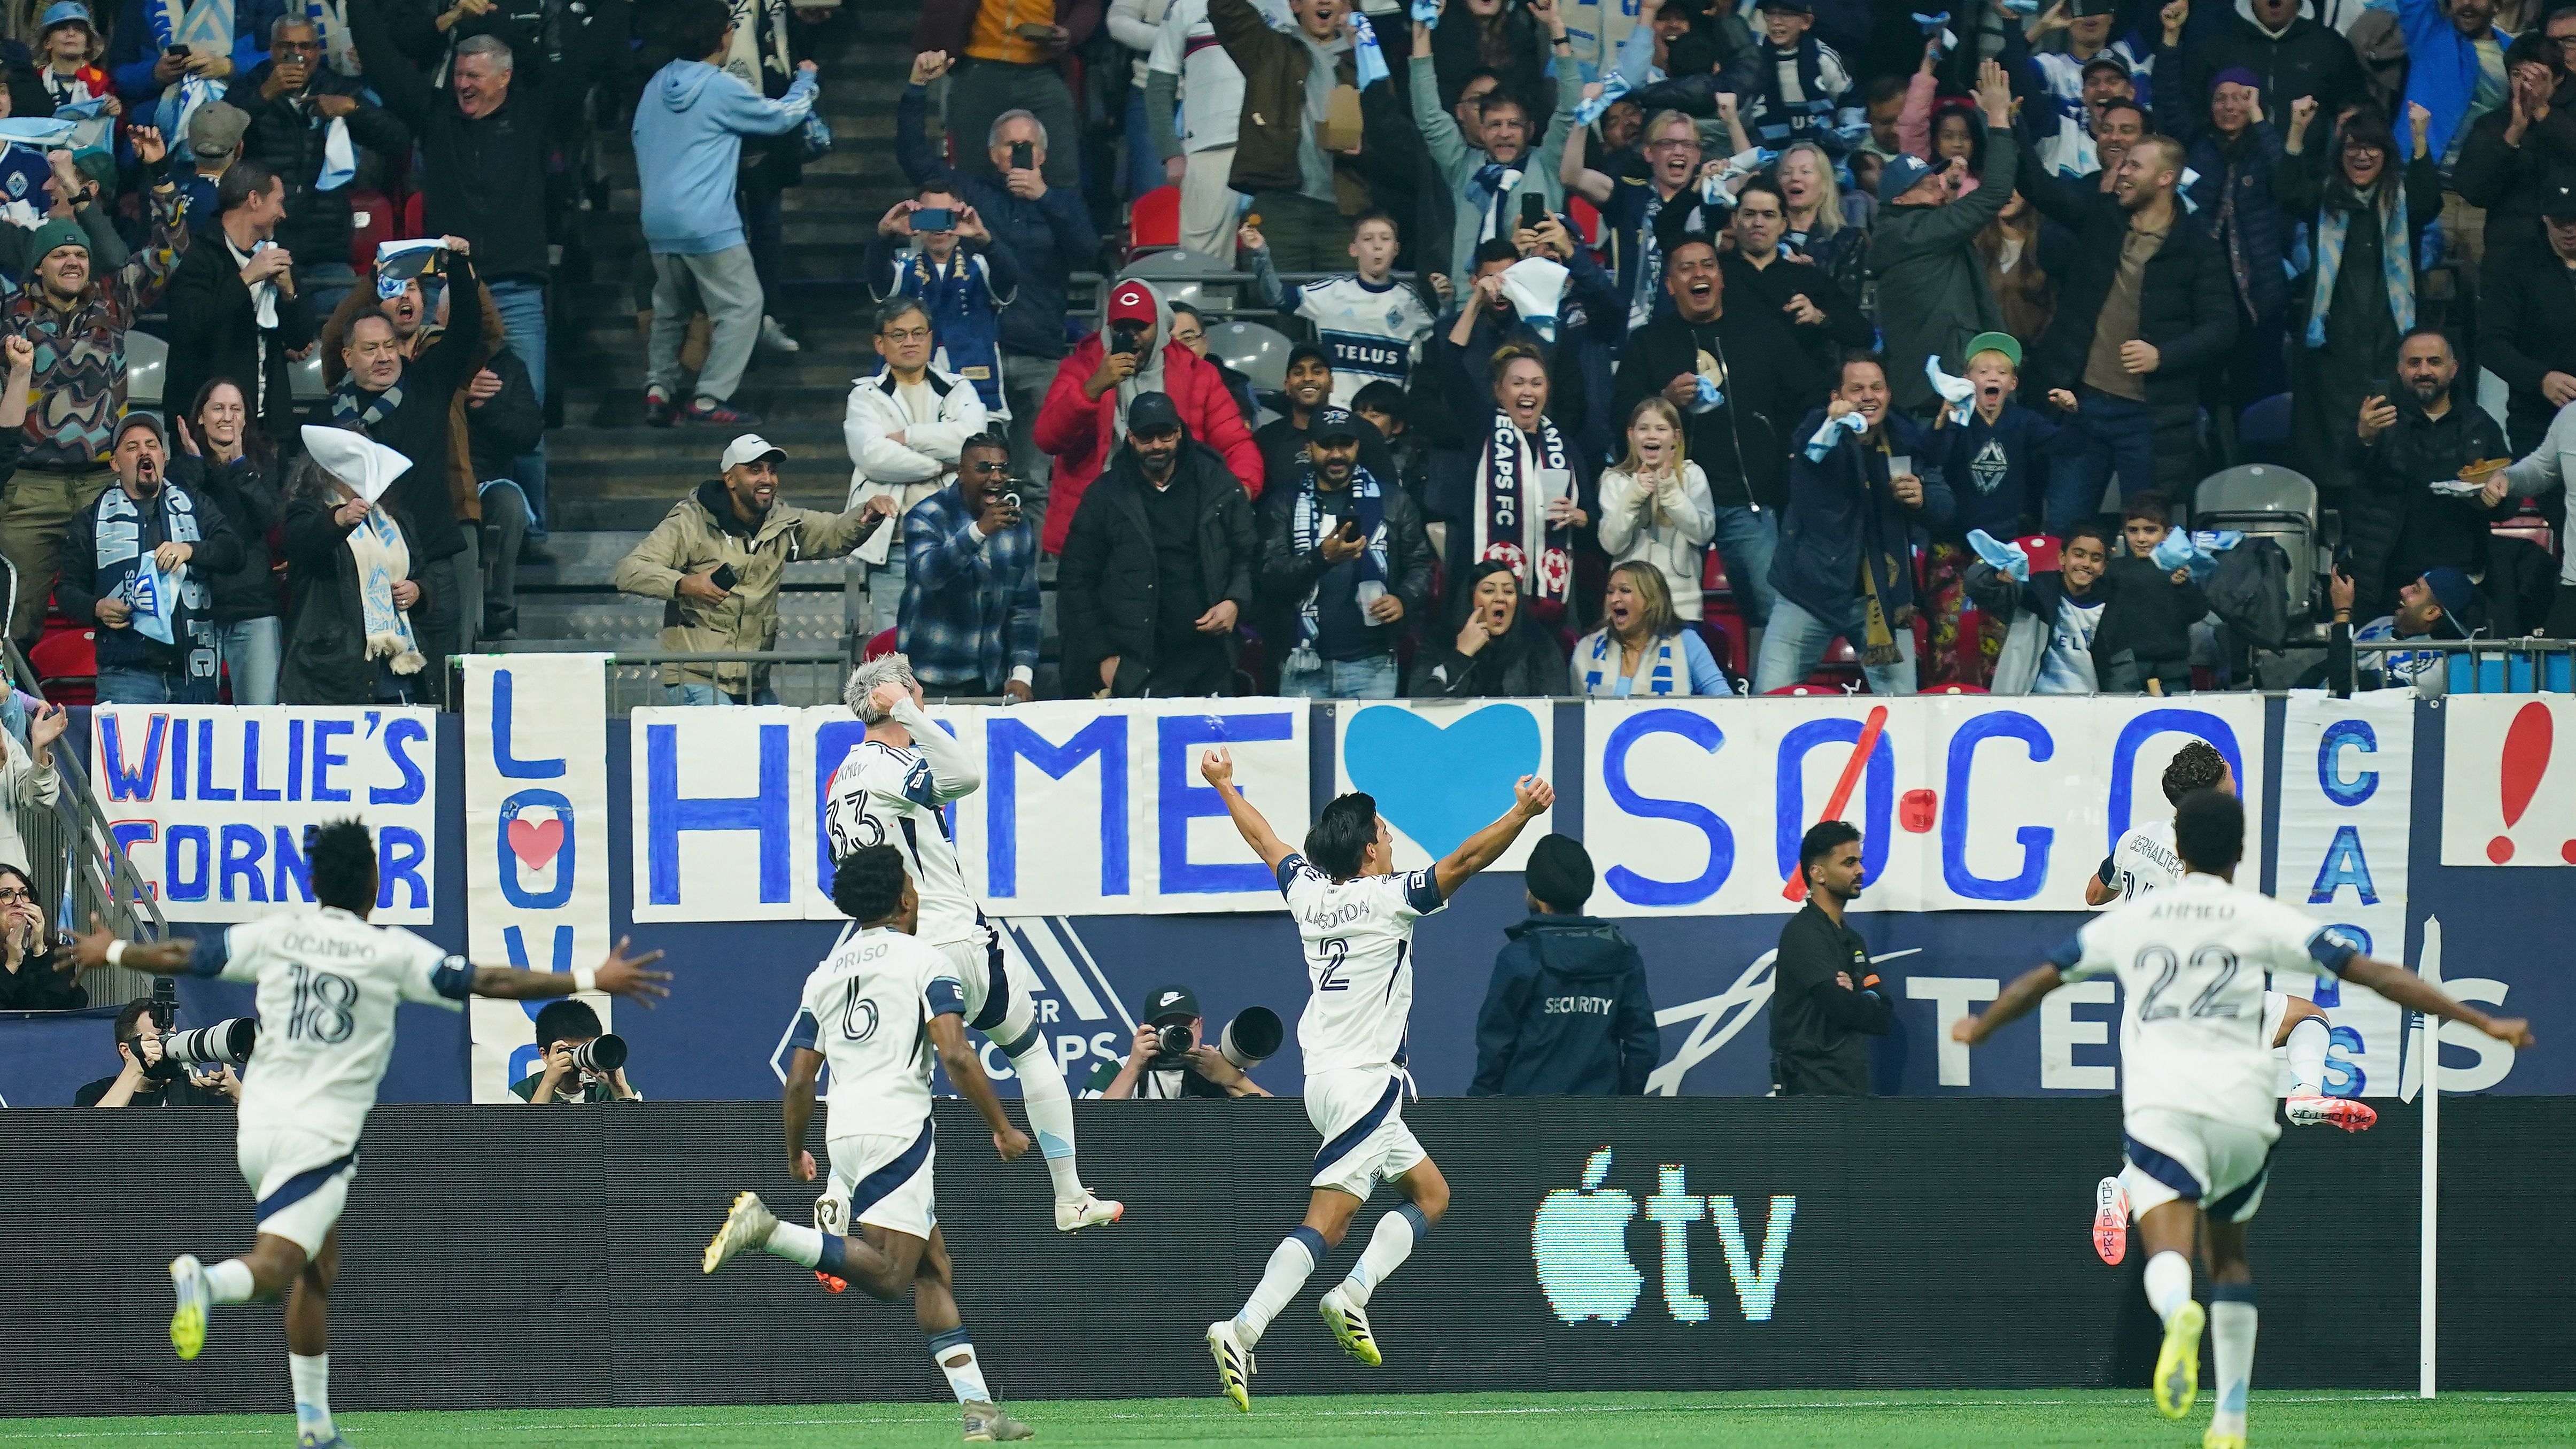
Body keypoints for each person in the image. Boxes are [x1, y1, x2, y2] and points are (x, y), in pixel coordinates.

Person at [1952, 789, 2530, 1447]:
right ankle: (2229, 1419)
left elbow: (2041, 979)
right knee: (2228, 1260)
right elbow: (2375, 974)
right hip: (2241, 1110)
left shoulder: (2132, 920)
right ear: (2239, 850)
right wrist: (2480, 1021)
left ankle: (2178, 1312)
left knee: (2167, 1248)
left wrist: (1982, 1026)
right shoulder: (2260, 915)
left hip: (2163, 1104)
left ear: (2178, 847)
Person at [73, 819, 669, 1448]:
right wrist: (590, 977)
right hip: (317, 1132)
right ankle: (208, 1281)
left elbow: (183, 956)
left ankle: (315, 1426)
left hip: (258, 1122)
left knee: (319, 1266)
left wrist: (112, 952)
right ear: (376, 885)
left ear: (314, 882)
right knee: (277, 1267)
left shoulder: (278, 933)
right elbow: (491, 981)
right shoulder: (389, 951)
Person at [1198, 745, 1551, 1411]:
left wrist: (1224, 786)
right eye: (1385, 833)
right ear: (1368, 850)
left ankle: (1352, 1293)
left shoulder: (1309, 892)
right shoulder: (1390, 897)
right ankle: (1242, 1328)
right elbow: (1464, 861)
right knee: (1328, 1223)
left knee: (1431, 1193)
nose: (1391, 842)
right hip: (1363, 1082)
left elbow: (1264, 839)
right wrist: (1521, 813)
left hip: (1326, 1081)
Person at [698, 845, 1035, 1444]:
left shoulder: (825, 973)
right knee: (889, 1276)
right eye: (913, 883)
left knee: (933, 1268)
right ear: (906, 898)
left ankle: (980, 1412)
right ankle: (767, 1231)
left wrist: (794, 1153)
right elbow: (957, 1053)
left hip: (844, 1130)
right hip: (898, 1128)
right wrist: (1002, 1127)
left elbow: (800, 1080)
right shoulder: (926, 959)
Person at [819, 656, 1121, 1231]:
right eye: (915, 689)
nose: (923, 696)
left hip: (887, 954)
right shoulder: (891, 763)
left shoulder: (839, 780)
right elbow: (964, 775)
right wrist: (908, 714)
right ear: (896, 697)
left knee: (872, 1076)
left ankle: (838, 1194)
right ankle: (1069, 1195)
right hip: (950, 938)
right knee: (1027, 1049)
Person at [351, 13, 587, 549]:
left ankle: (532, 530)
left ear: (504, 77)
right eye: (457, 75)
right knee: (438, 407)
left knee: (525, 412)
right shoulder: (437, 117)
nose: (462, 85)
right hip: (446, 291)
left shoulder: (533, 114)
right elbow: (383, 62)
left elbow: (581, 66)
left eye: (474, 76)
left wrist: (493, 17)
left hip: (517, 292)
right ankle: (447, 521)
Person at [1, 124, 182, 644]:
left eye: (81, 255)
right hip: (28, 490)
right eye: (61, 255)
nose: (74, 262)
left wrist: (159, 172)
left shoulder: (113, 303)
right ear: (37, 266)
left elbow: (169, 248)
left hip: (105, 487)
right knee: (13, 620)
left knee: (130, 610)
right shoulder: (9, 315)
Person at [901, 53, 1095, 519]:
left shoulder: (1063, 203)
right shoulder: (973, 196)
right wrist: (915, 89)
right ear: (993, 154)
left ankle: (1027, 567)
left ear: (1043, 156)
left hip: (1041, 356)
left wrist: (1045, 197)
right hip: (977, 355)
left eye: (1027, 146)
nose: (1018, 154)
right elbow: (916, 160)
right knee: (972, 480)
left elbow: (1089, 253)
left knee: (1033, 483)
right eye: (1009, 146)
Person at [1608, 228, 1816, 645]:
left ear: (1720, 277)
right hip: (1671, 501)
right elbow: (1620, 419)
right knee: (1661, 615)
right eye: (1686, 269)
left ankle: (1764, 687)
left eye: (1707, 265)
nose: (1699, 274)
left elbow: (1809, 396)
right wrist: (1664, 401)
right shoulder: (1648, 343)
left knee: (1774, 615)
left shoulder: (1761, 332)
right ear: (1670, 285)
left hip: (1747, 501)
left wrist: (1787, 460)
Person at [2028, 135, 2239, 529]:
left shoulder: (2196, 246)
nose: (2121, 172)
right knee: (2061, 532)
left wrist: (2162, 355)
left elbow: (2222, 326)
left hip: (2148, 420)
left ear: (2165, 178)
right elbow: (2039, 188)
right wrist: (2003, 122)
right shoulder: (2102, 218)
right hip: (2082, 408)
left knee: (2147, 541)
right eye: (2124, 164)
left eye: (2134, 166)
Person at [633, 0, 819, 429]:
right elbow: (780, 118)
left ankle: (659, 390)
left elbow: (639, 137)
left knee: (670, 308)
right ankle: (709, 398)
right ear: (722, 37)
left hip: (658, 220)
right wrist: (806, 83)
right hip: (707, 222)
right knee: (744, 304)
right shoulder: (720, 87)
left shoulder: (656, 84)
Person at [318, 239, 490, 701]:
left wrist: (459, 266)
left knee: (443, 691)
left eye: (390, 346)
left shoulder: (429, 382)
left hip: (431, 561)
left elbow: (468, 328)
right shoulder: (330, 415)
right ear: (348, 357)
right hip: (361, 570)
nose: (383, 357)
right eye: (370, 348)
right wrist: (376, 278)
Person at [610, 432, 896, 704]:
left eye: (772, 471)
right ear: (730, 479)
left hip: (753, 681)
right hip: (697, 677)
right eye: (755, 470)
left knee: (781, 739)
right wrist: (685, 585)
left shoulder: (781, 520)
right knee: (729, 738)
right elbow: (629, 570)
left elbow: (833, 533)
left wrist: (866, 515)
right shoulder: (690, 521)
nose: (767, 479)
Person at [1757, 354, 1950, 696]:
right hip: (1809, 590)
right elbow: (1810, 460)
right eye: (1856, 389)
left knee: (1901, 710)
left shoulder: (1905, 439)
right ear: (1837, 398)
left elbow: (1945, 506)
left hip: (1882, 598)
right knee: (1769, 702)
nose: (1868, 397)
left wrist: (1924, 499)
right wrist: (1833, 425)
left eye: (1877, 388)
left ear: (1889, 394)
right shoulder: (1816, 432)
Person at [2277, 100, 2444, 495]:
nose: (2362, 155)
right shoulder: (2324, 199)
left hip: (2392, 342)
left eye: (2371, 147)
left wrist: (2420, 138)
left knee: (2390, 444)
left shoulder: (2402, 200)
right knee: (2330, 454)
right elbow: (2285, 192)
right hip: (2331, 351)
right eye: (2352, 147)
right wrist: (2296, 130)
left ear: (2386, 155)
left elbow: (2428, 201)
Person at [1035, 277, 1263, 557]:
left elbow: (1236, 444)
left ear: (1160, 325)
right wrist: (1093, 388)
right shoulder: (1082, 367)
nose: (1131, 336)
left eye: (1140, 327)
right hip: (1096, 526)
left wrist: (1240, 491)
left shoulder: (1196, 373)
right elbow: (1047, 439)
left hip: (1176, 523)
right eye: (1121, 328)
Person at [1056, 391, 1257, 699]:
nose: (1157, 446)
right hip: (1136, 665)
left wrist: (1235, 601)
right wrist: (1102, 657)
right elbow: (1076, 580)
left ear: (1179, 432)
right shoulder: (1104, 496)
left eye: (1165, 436)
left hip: (1209, 660)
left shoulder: (1217, 483)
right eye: (1146, 438)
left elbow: (1249, 553)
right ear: (1130, 437)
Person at [222, 14, 407, 316]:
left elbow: (397, 140)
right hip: (263, 246)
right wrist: (264, 96)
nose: (297, 55)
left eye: (306, 46)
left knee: (344, 322)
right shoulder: (249, 88)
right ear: (272, 49)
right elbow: (221, 142)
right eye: (287, 46)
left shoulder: (336, 86)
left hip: (326, 248)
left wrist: (353, 109)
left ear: (318, 51)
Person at [57, 414, 245, 706]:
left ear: (163, 458)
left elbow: (234, 552)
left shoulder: (194, 504)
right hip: (126, 676)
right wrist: (96, 608)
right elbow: (66, 590)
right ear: (115, 463)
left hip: (192, 675)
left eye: (152, 445)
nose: (144, 452)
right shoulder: (92, 518)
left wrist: (190, 550)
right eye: (132, 447)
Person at [1868, 60, 2019, 417]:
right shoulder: (1914, 232)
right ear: (1900, 201)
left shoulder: (1904, 232)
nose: (1937, 189)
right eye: (1926, 186)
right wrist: (1998, 118)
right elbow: (1995, 192)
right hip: (1939, 397)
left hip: (1933, 390)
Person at [1257, 405, 1434, 700]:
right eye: (1327, 445)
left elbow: (1421, 565)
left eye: (1345, 445)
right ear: (1309, 448)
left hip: (1373, 664)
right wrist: (1321, 559)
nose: (1337, 454)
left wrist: (1404, 599)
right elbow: (1269, 575)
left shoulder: (1394, 501)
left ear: (1358, 446)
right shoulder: (1284, 504)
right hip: (1303, 662)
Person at [1407, 0, 1585, 290]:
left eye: (1514, 124)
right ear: (1481, 130)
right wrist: (1421, 31)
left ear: (1530, 129)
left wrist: (1556, 26)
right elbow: (1429, 115)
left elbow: (1570, 110)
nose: (1504, 133)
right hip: (1469, 298)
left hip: (1532, 297)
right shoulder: (1462, 165)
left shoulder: (1547, 163)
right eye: (1494, 125)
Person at [846, 296, 993, 639]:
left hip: (955, 537)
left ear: (931, 338)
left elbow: (972, 441)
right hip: (895, 544)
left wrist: (908, 437)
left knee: (955, 641)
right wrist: (944, 464)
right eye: (898, 335)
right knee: (893, 650)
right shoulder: (865, 396)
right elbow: (873, 457)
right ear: (880, 344)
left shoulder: (958, 388)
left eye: (918, 333)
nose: (910, 342)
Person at [1923, 331, 2061, 689]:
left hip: (2003, 545)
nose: (1992, 377)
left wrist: (2072, 413)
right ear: (1967, 380)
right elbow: (1932, 460)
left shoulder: (2024, 422)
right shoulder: (1956, 419)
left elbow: (2066, 446)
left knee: (1998, 631)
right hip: (1953, 539)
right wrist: (1945, 421)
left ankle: (1996, 701)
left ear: (2013, 383)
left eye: (2001, 372)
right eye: (1983, 371)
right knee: (1946, 628)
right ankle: (1945, 696)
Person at [1471, 833, 1657, 1097]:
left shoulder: (1519, 958)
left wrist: (1481, 1105)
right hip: (1600, 1118)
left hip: (1528, 1117)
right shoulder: (1622, 955)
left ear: (1534, 892)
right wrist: (1621, 1106)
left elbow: (1495, 1045)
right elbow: (1644, 1046)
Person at [2345, 328, 2511, 622]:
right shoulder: (2377, 419)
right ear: (2399, 369)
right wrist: (2363, 437)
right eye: (2414, 363)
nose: (2424, 371)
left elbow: (2509, 499)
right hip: (2385, 581)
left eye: (2434, 362)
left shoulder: (2480, 425)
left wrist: (2495, 498)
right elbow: (2343, 470)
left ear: (2453, 369)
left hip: (2459, 582)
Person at [1432, 335, 1592, 619]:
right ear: (1499, 391)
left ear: (1547, 391)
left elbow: (1593, 516)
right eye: (1518, 383)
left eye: (1536, 383)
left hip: (1548, 598)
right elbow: (1450, 365)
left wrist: (1580, 517)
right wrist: (1474, 309)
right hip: (1484, 596)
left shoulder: (1565, 447)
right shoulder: (1482, 430)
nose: (1527, 391)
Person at [276, 427, 430, 707]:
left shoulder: (394, 519)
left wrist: (418, 591)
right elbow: (303, 542)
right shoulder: (307, 510)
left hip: (396, 670)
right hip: (335, 671)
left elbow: (422, 571)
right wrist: (338, 519)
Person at [166, 160, 314, 448]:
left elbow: (300, 339)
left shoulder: (275, 255)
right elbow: (189, 327)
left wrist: (289, 293)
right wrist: (246, 278)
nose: (283, 214)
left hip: (266, 426)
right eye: (278, 202)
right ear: (254, 200)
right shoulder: (196, 255)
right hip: (204, 428)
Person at [2175, 68, 2291, 431]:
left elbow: (2287, 180)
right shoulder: (2197, 146)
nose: (2229, 106)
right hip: (2205, 291)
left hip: (2258, 293)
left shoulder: (2265, 147)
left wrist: (2259, 121)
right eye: (2220, 98)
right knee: (2202, 391)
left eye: (2241, 97)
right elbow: (2168, 102)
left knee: (2257, 395)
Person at [901, 433, 1041, 701]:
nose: (996, 477)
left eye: (1002, 468)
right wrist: (977, 532)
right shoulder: (926, 516)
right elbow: (928, 576)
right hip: (930, 677)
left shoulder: (1017, 526)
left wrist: (1022, 674)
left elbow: (1025, 607)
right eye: (984, 468)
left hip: (991, 679)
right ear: (962, 473)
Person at [1243, 211, 1436, 406]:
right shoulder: (1332, 292)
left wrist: (1446, 303)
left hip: (1386, 414)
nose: (1377, 246)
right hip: (1336, 413)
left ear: (1396, 249)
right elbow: (1277, 298)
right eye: (1368, 239)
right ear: (1353, 250)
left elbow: (1439, 342)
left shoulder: (1410, 301)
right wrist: (1261, 253)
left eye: (1385, 239)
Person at [171, 380, 285, 704]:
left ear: (246, 418)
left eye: (236, 409)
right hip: (196, 609)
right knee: (196, 716)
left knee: (259, 717)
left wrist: (239, 467)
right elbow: (183, 522)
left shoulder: (263, 464)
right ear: (201, 417)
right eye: (218, 408)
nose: (227, 417)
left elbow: (269, 520)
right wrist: (194, 464)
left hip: (253, 607)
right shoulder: (181, 468)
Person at [863, 187, 1016, 422]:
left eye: (948, 217)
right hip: (910, 395)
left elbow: (1010, 276)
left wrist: (984, 239)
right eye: (929, 217)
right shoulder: (903, 271)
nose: (939, 227)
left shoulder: (982, 267)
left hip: (978, 390)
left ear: (962, 217)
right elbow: (875, 274)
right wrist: (885, 234)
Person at [1769, 819, 1893, 1096]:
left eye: (1859, 862)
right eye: (1849, 863)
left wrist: (1858, 993)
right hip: (1810, 1090)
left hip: (1852, 1085)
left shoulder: (1853, 939)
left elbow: (1884, 1016)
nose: (1861, 870)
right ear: (1818, 873)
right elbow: (1841, 1007)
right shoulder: (1802, 933)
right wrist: (1863, 996)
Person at [1721, 176, 1876, 374]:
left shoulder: (1809, 277)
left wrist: (1820, 317)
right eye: (1750, 214)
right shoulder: (1716, 274)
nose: (1758, 222)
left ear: (1783, 225)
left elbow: (1864, 334)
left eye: (1768, 215)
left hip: (1804, 386)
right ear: (1735, 221)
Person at [1146, 0, 1260, 259]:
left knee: (1278, 253)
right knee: (1203, 262)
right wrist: (1171, 154)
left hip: (1272, 146)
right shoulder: (1185, 7)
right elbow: (1159, 86)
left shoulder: (1280, 6)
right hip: (1207, 149)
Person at [2473, 177, 2576, 455]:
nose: (2569, 229)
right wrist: (2541, 379)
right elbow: (2491, 344)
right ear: (2545, 218)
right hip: (2538, 422)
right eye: (2560, 221)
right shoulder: (2518, 267)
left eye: (2575, 219)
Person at [1597, 396, 1716, 623]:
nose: (1652, 435)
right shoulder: (1615, 480)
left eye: (1661, 429)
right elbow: (1612, 544)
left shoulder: (1692, 475)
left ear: (1676, 437)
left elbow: (1702, 534)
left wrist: (1671, 492)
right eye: (1644, 429)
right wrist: (1632, 497)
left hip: (1681, 607)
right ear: (1631, 435)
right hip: (1628, 608)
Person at [2488, 379, 2576, 636]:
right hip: (2573, 585)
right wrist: (2508, 478)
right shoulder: (2570, 417)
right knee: (2556, 662)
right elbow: (2542, 468)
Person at [2098, 491, 2209, 694]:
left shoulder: (2180, 570)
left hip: (2173, 668)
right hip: (2125, 667)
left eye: (2150, 530)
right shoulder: (2113, 570)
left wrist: (2183, 586)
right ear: (2124, 532)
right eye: (2133, 530)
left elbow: (2199, 612)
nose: (2141, 538)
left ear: (2167, 533)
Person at [1571, 560, 1735, 696]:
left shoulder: (1686, 641)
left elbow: (1724, 701)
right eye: (1610, 592)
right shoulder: (1588, 647)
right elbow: (1572, 712)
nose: (1614, 599)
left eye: (1625, 591)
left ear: (1651, 600)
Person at [2321, 563, 2485, 695]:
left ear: (2432, 613)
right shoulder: (2384, 623)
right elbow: (2325, 669)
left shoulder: (2433, 669)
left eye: (2416, 590)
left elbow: (2344, 689)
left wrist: (2342, 612)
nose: (2403, 590)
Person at [1090, 983, 1272, 1099]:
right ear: (1145, 1030)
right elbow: (1091, 1131)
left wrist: (1233, 1079)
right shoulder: (1118, 1070)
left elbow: (1279, 1126)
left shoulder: (1216, 1071)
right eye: (1165, 1026)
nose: (1177, 1034)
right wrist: (1134, 1067)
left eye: (1185, 1026)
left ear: (1200, 1026)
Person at [74, 998, 240, 1107]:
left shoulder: (195, 1093)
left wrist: (236, 1092)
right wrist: (135, 1070)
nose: (168, 1048)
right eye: (158, 1039)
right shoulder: (95, 1094)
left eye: (173, 1038)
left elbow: (250, 1136)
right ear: (126, 1051)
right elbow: (89, 1140)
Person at [1740, 0, 1853, 153]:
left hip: (1821, 154)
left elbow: (1848, 100)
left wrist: (1845, 137)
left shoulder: (1823, 58)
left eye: (1785, 14)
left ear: (1806, 22)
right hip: (1769, 154)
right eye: (1770, 14)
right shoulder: (1753, 58)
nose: (1776, 22)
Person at [0, 861, 76, 1011]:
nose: (19, 902)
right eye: (6, 894)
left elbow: (65, 1008)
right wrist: (12, 964)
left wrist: (39, 951)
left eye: (24, 893)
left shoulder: (56, 952)